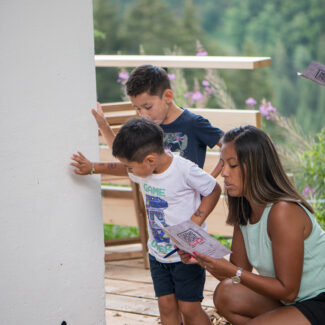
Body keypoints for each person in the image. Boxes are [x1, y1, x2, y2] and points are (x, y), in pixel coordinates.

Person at [71, 117, 222, 325]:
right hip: (157, 254)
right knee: (166, 307)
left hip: (186, 254)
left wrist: (196, 220)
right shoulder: (144, 169)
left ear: (150, 160)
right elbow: (122, 164)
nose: (129, 171)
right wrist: (94, 165)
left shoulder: (184, 170)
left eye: (131, 167)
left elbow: (213, 189)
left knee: (189, 309)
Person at [179, 125, 325, 325]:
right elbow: (236, 272)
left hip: (317, 301)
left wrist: (233, 272)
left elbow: (288, 291)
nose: (224, 173)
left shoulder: (283, 211)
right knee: (226, 293)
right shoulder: (245, 208)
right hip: (290, 301)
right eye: (223, 164)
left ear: (257, 166)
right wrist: (203, 259)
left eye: (233, 165)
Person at [92, 64, 224, 177]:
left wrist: (208, 180)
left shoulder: (193, 123)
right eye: (138, 109)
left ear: (167, 96)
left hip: (189, 205)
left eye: (148, 107)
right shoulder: (146, 127)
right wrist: (103, 126)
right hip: (156, 204)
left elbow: (227, 144)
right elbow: (124, 155)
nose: (143, 115)